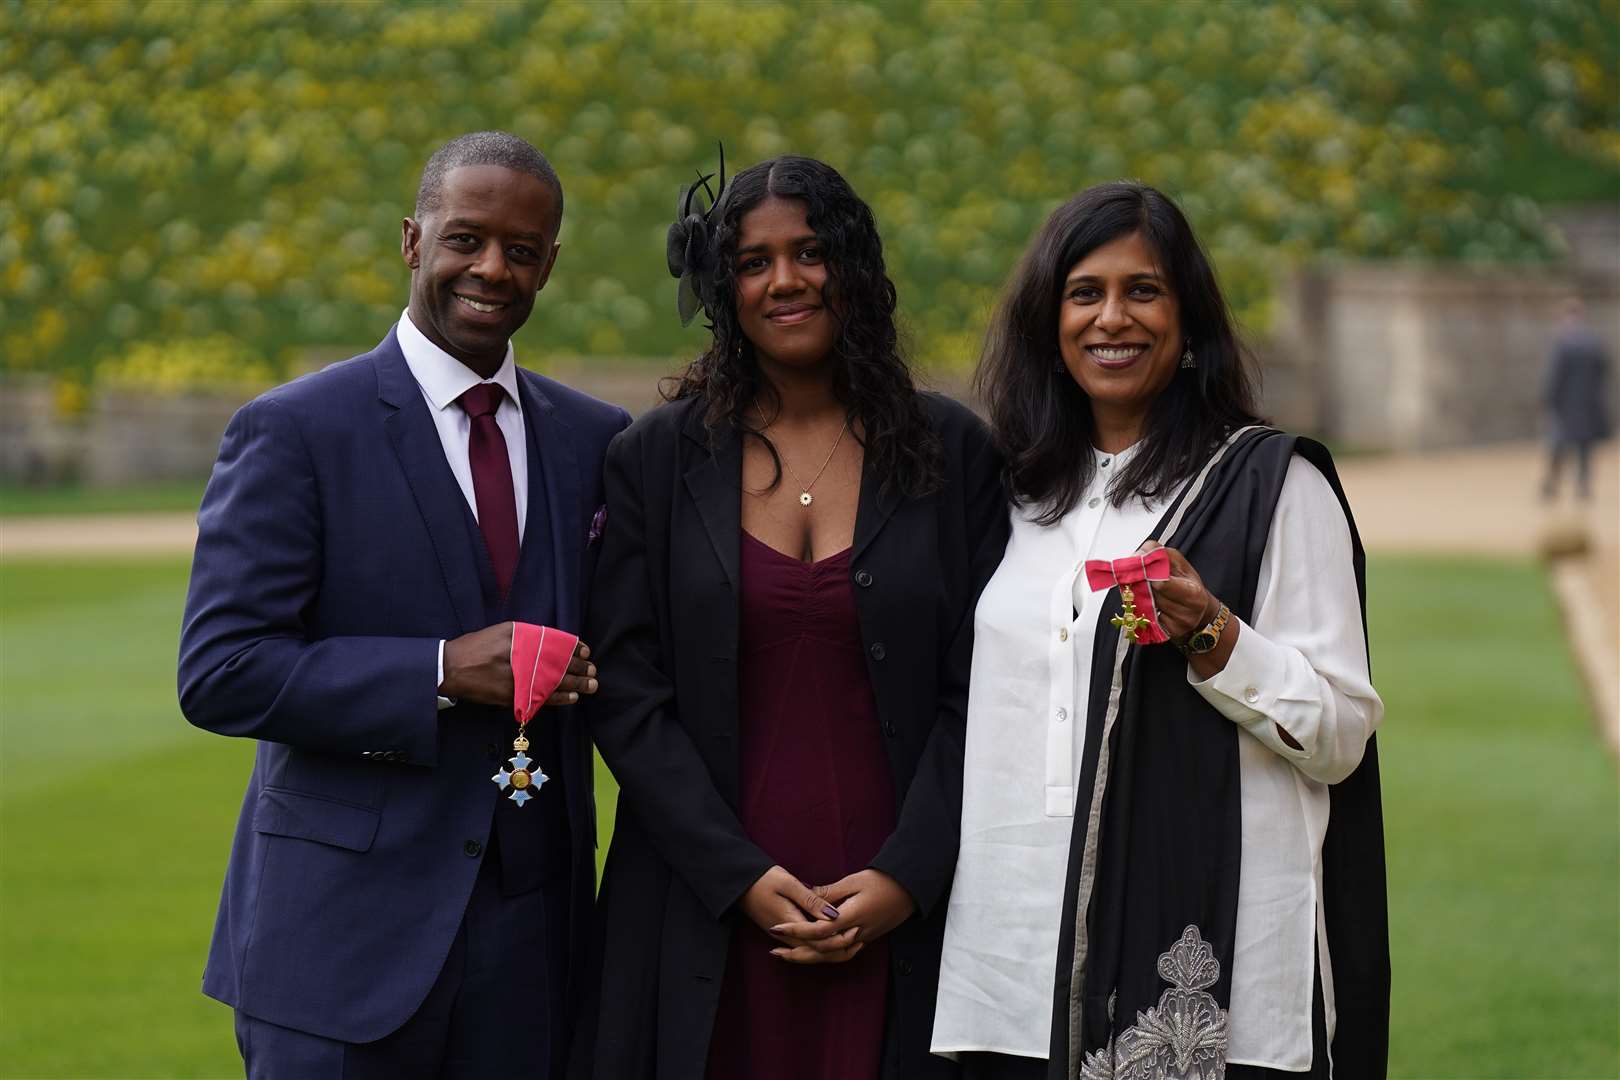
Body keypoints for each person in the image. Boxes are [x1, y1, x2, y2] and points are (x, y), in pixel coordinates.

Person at [178, 131, 630, 1079]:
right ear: (412, 241)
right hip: (339, 948)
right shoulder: (294, 429)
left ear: (551, 262)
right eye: (466, 238)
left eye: (522, 248)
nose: (492, 268)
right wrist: (437, 670)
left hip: (537, 952)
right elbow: (221, 672)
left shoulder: (597, 440)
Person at [930, 182, 1389, 1080]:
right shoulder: (1010, 498)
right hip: (1011, 968)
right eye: (1085, 292)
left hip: (1214, 974)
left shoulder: (1272, 488)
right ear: (1049, 324)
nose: (1113, 318)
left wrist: (1216, 636)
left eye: (1144, 291)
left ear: (1189, 324)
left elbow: (1339, 735)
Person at [577, 154, 1008, 1080]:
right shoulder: (652, 458)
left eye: (810, 252)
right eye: (752, 262)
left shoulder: (953, 452)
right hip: (704, 907)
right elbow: (627, 691)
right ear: (721, 285)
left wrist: (908, 876)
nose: (785, 281)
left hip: (909, 911)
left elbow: (986, 687)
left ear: (852, 265)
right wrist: (734, 874)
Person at [1542, 297, 1611, 502]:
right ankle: (1583, 487)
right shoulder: (1595, 343)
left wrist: (1549, 403)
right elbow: (1604, 372)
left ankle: (1552, 486)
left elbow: (1554, 378)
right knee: (1585, 449)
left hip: (1566, 406)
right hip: (1589, 405)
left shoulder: (1563, 344)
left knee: (1557, 447)